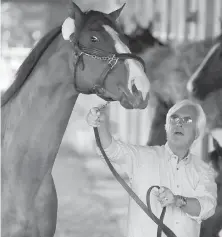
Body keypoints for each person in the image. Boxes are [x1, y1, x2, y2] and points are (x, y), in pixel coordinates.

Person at [86, 99, 217, 237]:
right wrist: (100, 123)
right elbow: (111, 149)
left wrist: (178, 200)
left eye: (187, 120)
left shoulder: (203, 170)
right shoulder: (143, 157)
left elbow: (207, 207)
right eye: (174, 118)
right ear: (166, 127)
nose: (179, 123)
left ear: (197, 133)